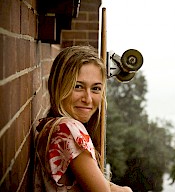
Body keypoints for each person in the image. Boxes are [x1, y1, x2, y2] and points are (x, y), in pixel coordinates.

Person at [34, 45, 133, 192]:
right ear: (59, 86)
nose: (88, 99)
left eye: (96, 89)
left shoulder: (51, 125)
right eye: (78, 86)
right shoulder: (68, 129)